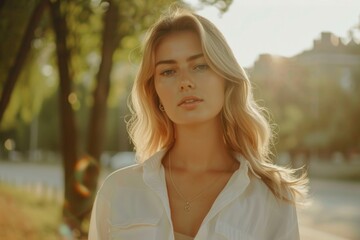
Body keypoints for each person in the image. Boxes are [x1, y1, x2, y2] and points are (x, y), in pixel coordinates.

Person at [89, 5, 308, 240]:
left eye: (200, 66)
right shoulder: (119, 190)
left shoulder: (272, 198)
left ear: (226, 79)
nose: (185, 82)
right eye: (168, 72)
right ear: (155, 93)